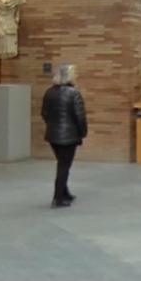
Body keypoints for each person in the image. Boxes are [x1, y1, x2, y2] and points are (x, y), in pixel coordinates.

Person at [41, 64, 88, 208]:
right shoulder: (74, 93)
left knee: (62, 163)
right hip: (69, 136)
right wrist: (83, 132)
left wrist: (52, 125)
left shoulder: (49, 92)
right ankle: (58, 198)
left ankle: (65, 192)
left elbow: (44, 113)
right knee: (64, 166)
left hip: (53, 135)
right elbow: (80, 116)